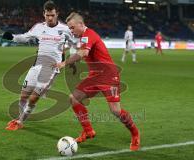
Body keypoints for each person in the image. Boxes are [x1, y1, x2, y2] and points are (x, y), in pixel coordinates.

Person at [56, 12, 140, 151]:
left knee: (115, 111)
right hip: (95, 76)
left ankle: (135, 134)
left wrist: (64, 63)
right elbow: (82, 52)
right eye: (69, 28)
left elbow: (84, 53)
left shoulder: (89, 34)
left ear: (81, 24)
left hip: (108, 75)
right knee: (74, 98)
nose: (71, 31)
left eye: (72, 27)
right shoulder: (83, 37)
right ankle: (88, 131)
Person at [3, 0, 75, 130]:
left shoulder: (65, 29)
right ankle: (19, 118)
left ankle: (20, 122)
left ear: (57, 14)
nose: (50, 18)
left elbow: (75, 43)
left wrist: (67, 58)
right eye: (47, 15)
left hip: (51, 69)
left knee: (33, 98)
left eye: (52, 15)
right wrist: (12, 37)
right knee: (24, 95)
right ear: (44, 14)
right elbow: (25, 37)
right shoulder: (39, 27)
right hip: (36, 66)